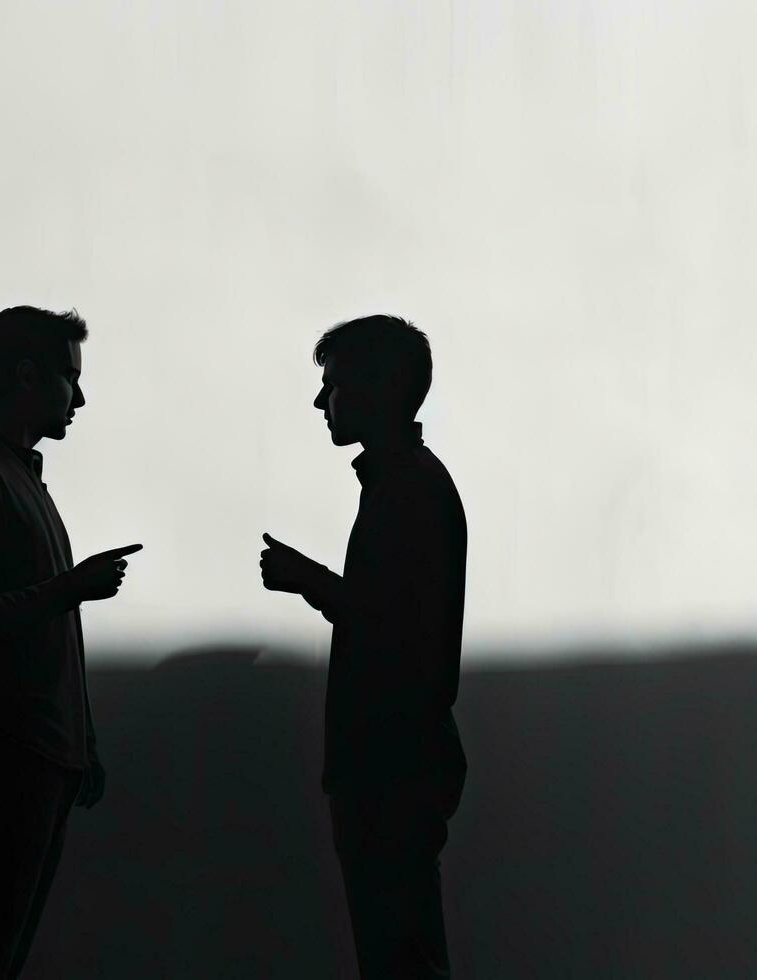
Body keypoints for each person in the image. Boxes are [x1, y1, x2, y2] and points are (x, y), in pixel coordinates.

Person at [0, 306, 143, 979]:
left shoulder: (15, 480)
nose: (81, 396)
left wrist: (81, 743)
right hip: (6, 755)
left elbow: (41, 632)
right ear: (24, 376)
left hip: (39, 756)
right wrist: (67, 590)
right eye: (70, 378)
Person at [260, 314, 469, 979]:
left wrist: (308, 581)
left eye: (334, 385)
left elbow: (393, 631)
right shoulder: (409, 484)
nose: (322, 402)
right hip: (397, 763)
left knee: (398, 958)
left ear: (379, 388)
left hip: (390, 766)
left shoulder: (407, 490)